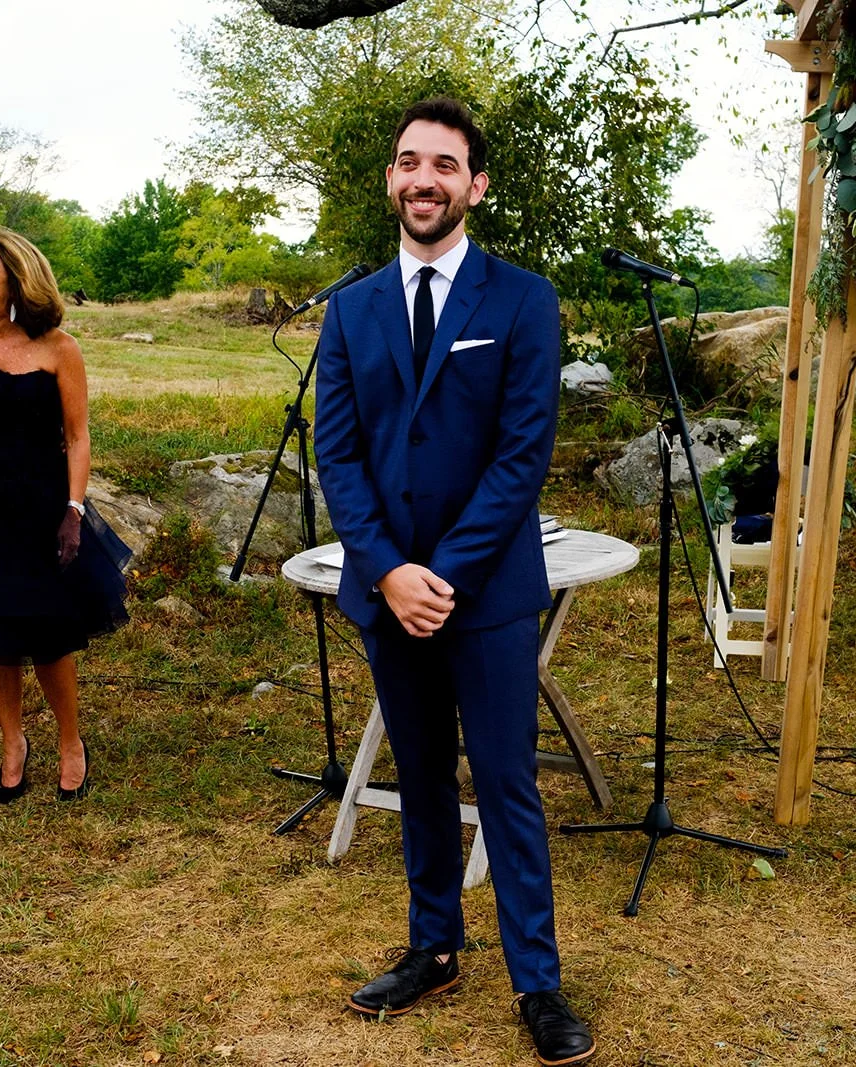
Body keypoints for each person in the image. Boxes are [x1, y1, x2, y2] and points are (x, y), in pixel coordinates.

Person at [314, 98, 594, 1066]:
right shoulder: (348, 310)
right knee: (422, 773)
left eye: (443, 163)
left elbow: (522, 456)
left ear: (475, 184)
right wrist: (390, 571)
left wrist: (443, 575)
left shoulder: (522, 299)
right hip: (388, 589)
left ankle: (539, 979)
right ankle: (433, 945)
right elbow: (337, 456)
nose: (421, 178)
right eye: (406, 162)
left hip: (487, 591)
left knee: (505, 779)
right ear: (389, 180)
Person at [0, 227, 129, 804]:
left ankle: (71, 741)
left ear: (14, 278)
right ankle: (12, 743)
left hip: (46, 507)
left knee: (51, 633)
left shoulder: (59, 347)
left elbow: (78, 438)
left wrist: (74, 509)